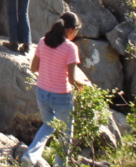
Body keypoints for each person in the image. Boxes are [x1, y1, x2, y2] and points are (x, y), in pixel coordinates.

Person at [21, 12, 91, 167]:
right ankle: (60, 165)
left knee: (49, 124)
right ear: (71, 30)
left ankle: (31, 155)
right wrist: (86, 85)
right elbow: (72, 80)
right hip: (61, 96)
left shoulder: (43, 41)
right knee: (66, 135)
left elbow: (33, 68)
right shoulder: (70, 48)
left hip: (42, 92)